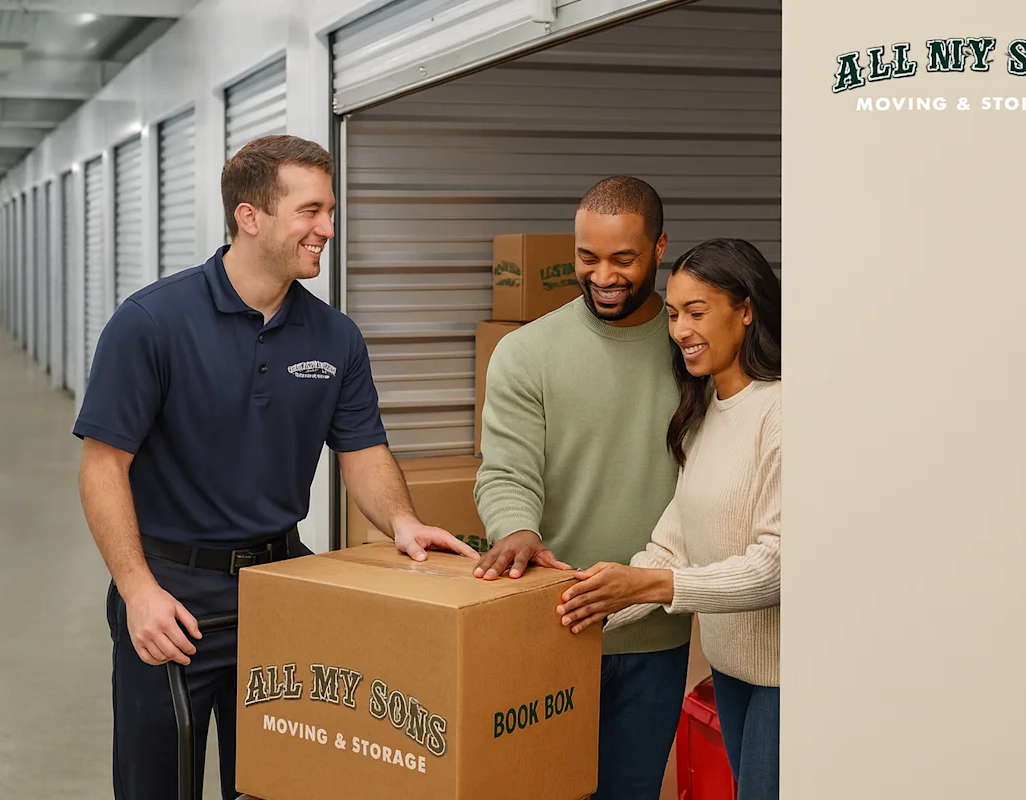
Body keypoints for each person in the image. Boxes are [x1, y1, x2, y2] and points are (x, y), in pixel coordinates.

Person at [73, 134, 477, 800]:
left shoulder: (334, 337)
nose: (327, 229)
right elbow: (102, 466)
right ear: (250, 216)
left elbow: (362, 448)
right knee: (157, 787)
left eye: (330, 211)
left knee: (280, 785)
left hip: (283, 587)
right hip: (172, 595)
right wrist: (136, 589)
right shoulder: (150, 322)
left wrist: (402, 521)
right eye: (311, 211)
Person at [472, 176, 694, 799]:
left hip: (655, 630)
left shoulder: (692, 354)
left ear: (659, 248)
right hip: (554, 625)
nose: (603, 275)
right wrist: (515, 529)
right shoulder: (526, 353)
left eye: (623, 258)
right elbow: (507, 470)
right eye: (586, 257)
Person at [555, 237, 782, 799]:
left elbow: (777, 565)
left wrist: (651, 585)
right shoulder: (703, 414)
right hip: (732, 670)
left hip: (786, 678)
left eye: (697, 312)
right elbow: (670, 546)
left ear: (747, 309)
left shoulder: (783, 412)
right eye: (675, 314)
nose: (680, 330)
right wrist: (584, 605)